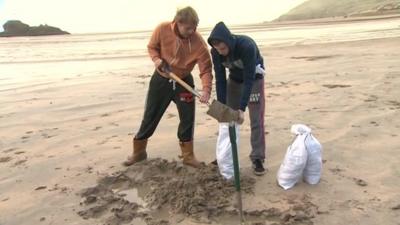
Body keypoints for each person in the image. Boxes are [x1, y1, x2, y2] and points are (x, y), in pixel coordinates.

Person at [123, 6, 213, 168]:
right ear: (177, 23)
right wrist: (157, 60)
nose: (191, 31)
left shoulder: (198, 43)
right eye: (188, 28)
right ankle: (139, 152)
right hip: (161, 80)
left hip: (183, 83)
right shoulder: (162, 29)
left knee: (187, 119)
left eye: (194, 28)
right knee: (150, 115)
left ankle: (188, 156)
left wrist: (206, 90)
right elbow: (152, 47)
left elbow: (205, 69)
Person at [207, 21, 266, 175]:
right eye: (217, 49)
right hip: (233, 80)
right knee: (226, 119)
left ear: (229, 41)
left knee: (255, 119)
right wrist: (222, 106)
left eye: (223, 48)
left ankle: (257, 157)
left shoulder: (246, 46)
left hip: (253, 79)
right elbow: (220, 79)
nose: (221, 52)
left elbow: (249, 78)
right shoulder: (215, 52)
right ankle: (225, 156)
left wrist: (241, 108)